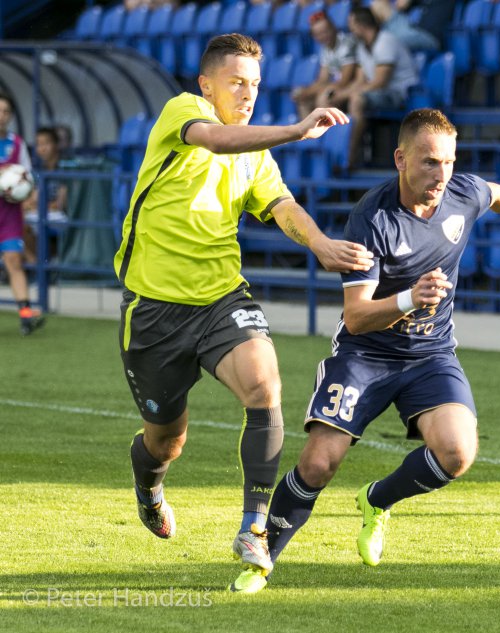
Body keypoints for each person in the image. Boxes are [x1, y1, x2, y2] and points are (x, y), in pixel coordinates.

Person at [241, 108, 500, 593]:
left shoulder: (461, 194)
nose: (441, 174)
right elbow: (357, 316)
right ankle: (261, 561)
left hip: (430, 355)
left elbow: (497, 194)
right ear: (401, 159)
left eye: (448, 162)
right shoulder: (372, 218)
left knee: (457, 453)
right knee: (319, 463)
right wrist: (410, 298)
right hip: (365, 355)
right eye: (429, 162)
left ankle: (377, 500)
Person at [113, 33, 374, 594]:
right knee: (166, 440)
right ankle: (149, 488)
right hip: (154, 310)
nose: (248, 93)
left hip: (221, 299)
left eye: (254, 83)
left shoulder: (256, 152)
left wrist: (320, 243)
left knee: (264, 386)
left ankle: (254, 526)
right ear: (206, 85)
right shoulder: (184, 112)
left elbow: (282, 206)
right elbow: (216, 140)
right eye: (236, 82)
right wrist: (297, 129)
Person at [344, 7, 420, 171]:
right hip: (379, 93)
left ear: (362, 25)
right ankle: (337, 155)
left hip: (399, 94)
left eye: (352, 25)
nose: (350, 29)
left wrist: (350, 94)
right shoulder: (362, 47)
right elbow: (359, 81)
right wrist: (339, 95)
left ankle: (350, 157)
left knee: (357, 99)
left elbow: (380, 82)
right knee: (342, 99)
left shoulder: (385, 40)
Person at [0, 94, 44, 335]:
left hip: (9, 214)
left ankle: (26, 315)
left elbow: (27, 176)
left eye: (6, 111)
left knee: (14, 261)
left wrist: (28, 194)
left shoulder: (17, 143)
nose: (2, 115)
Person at [290, 10, 358, 117]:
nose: (323, 36)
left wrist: (310, 91)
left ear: (333, 28)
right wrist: (305, 91)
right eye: (318, 34)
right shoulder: (325, 49)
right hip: (335, 86)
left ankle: (329, 129)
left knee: (322, 98)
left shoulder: (347, 43)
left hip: (351, 86)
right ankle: (309, 129)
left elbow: (345, 80)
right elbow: (323, 79)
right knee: (304, 101)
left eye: (325, 31)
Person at [22, 126, 68, 264]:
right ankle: (38, 264)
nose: (42, 148)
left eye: (46, 143)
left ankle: (39, 266)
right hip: (41, 214)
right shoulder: (38, 170)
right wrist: (28, 205)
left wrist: (38, 207)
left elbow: (60, 204)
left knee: (24, 227)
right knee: (15, 223)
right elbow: (33, 198)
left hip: (60, 217)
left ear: (56, 145)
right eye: (38, 144)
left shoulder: (64, 169)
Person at [370, 0, 458, 52]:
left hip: (429, 38)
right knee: (379, 3)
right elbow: (401, 5)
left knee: (385, 42)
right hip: (414, 31)